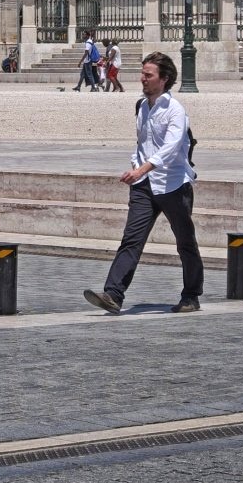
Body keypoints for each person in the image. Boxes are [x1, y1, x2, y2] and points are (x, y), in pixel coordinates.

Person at [84, 52, 203, 314]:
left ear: (164, 78)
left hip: (173, 184)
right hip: (145, 185)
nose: (142, 79)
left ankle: (191, 296)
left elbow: (171, 148)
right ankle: (113, 294)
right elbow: (143, 144)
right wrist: (136, 166)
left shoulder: (175, 110)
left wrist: (141, 170)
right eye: (142, 74)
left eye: (148, 75)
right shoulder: (142, 106)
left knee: (185, 242)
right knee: (131, 239)